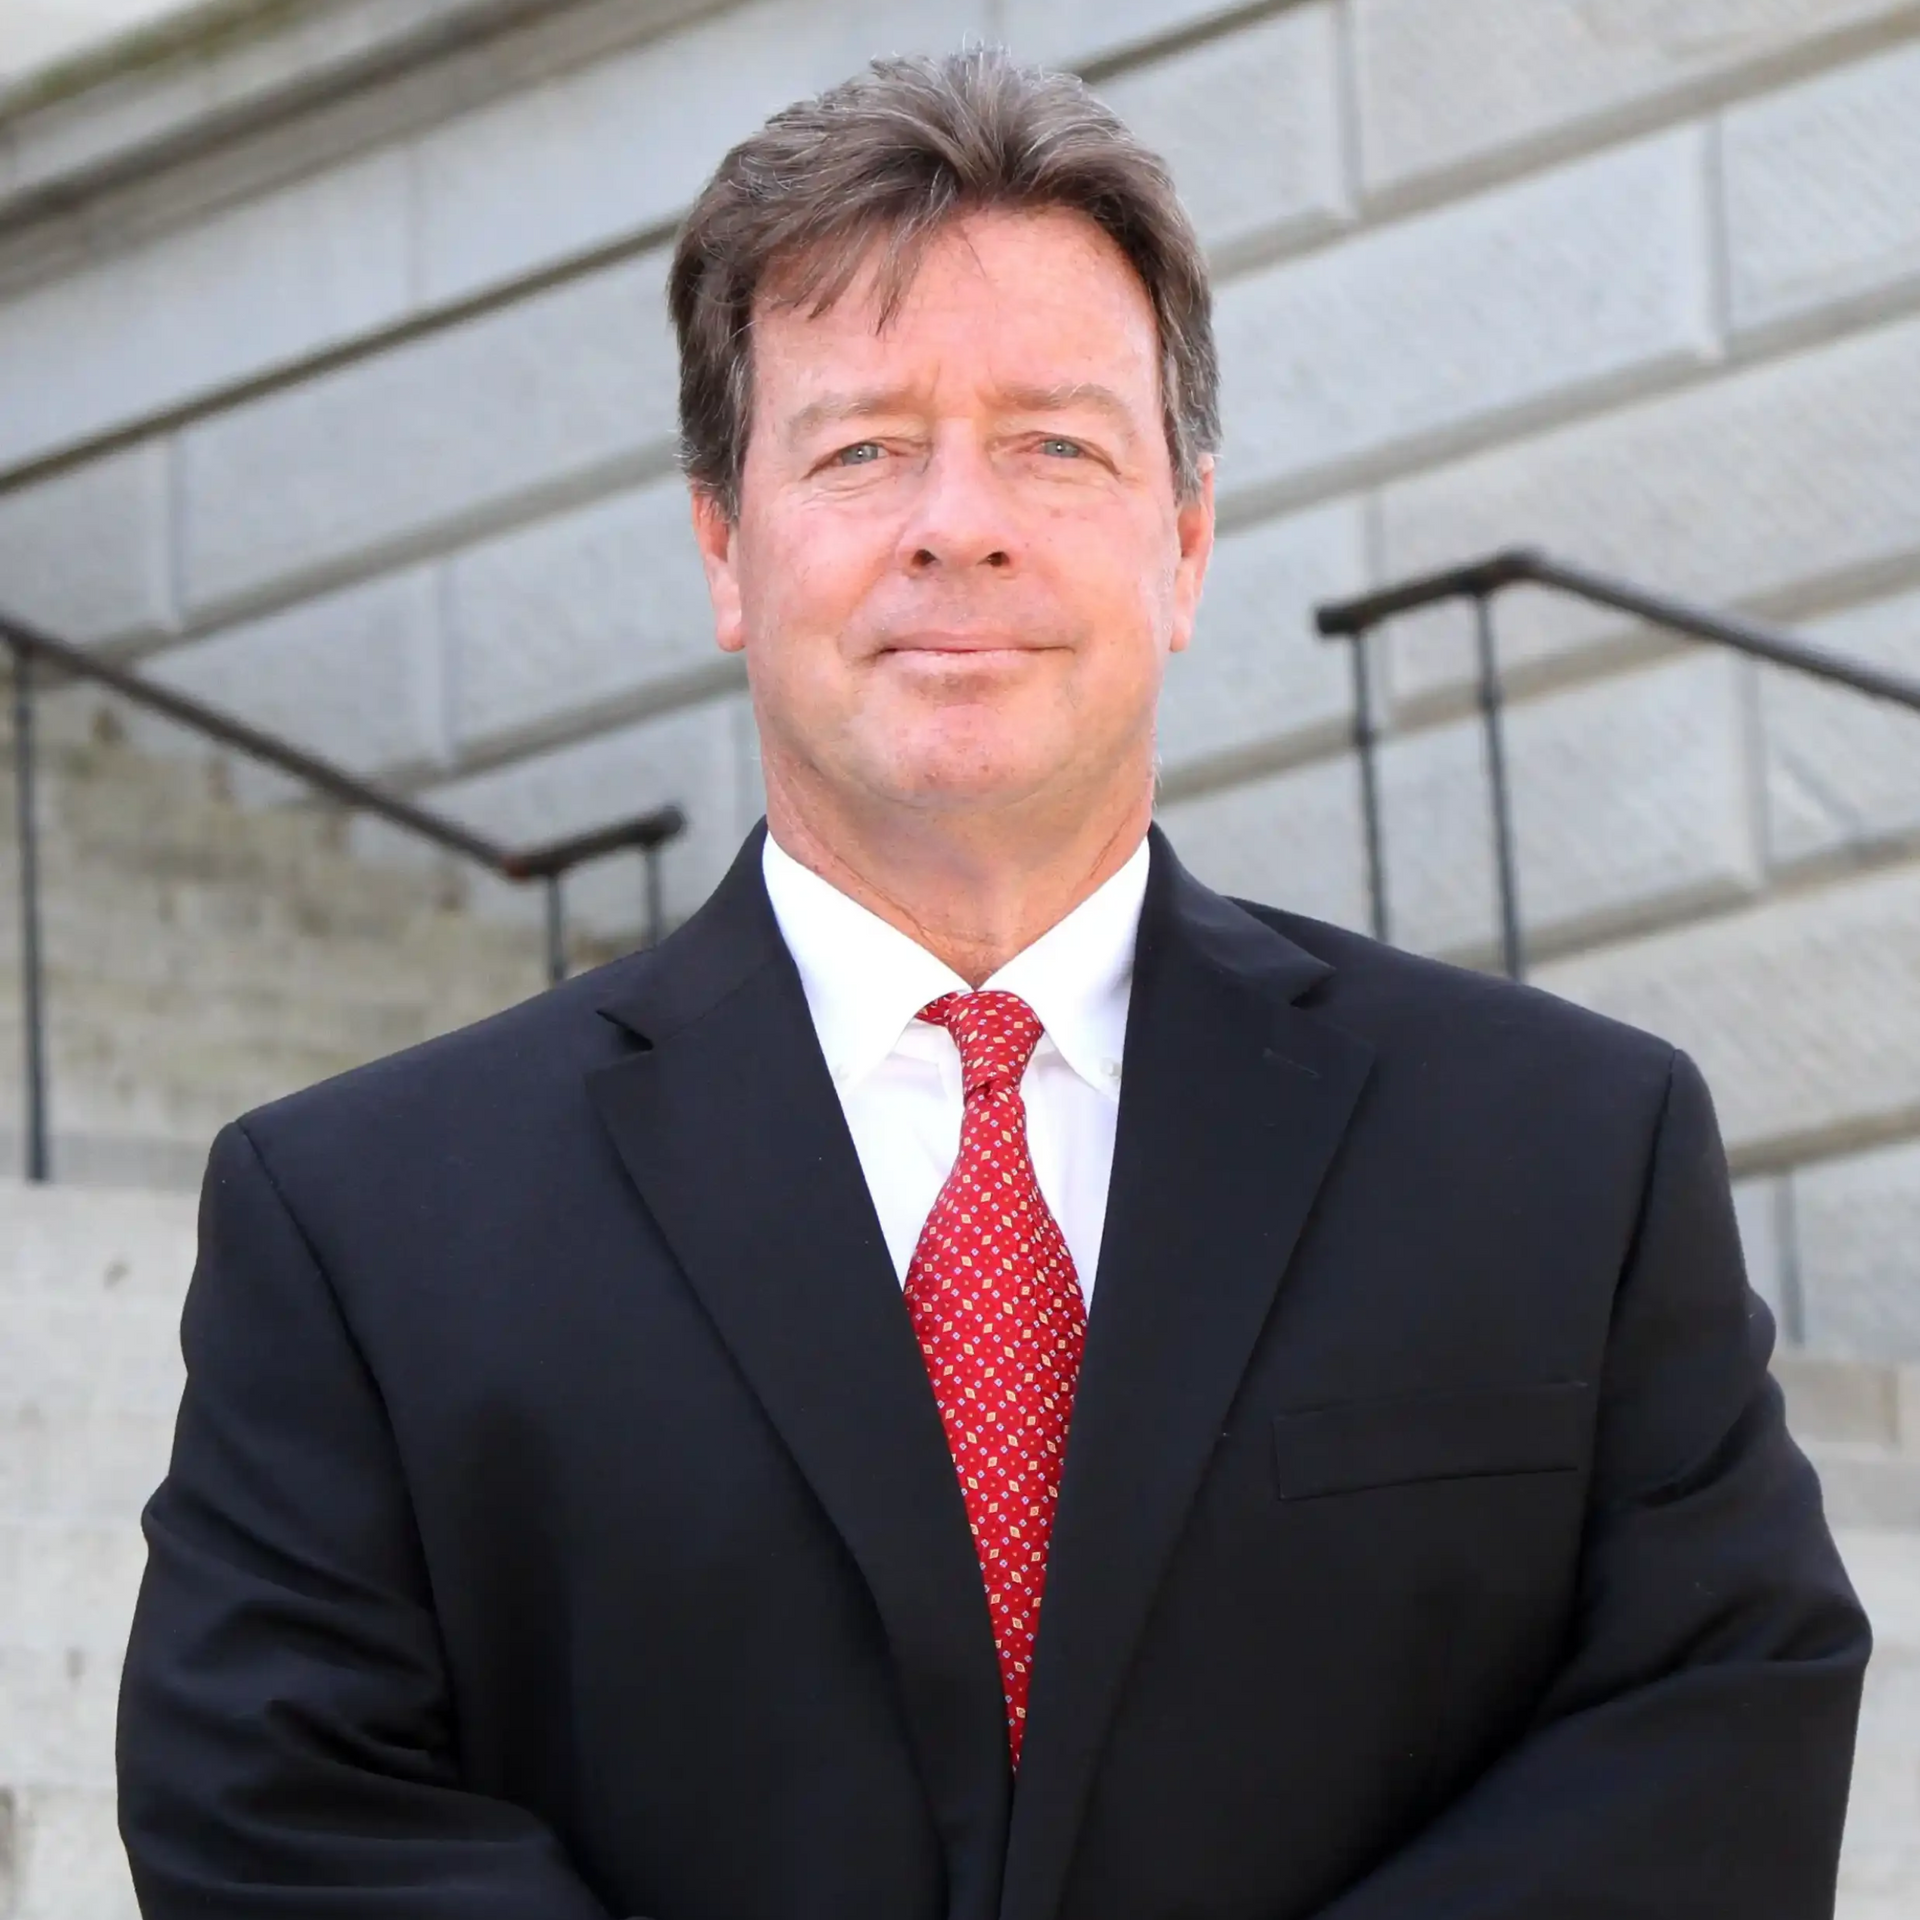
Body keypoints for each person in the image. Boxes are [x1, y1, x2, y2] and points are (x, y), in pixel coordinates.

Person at [117, 47, 1868, 1920]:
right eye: (863, 447)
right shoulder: (362, 1222)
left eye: (1056, 442)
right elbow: (280, 1812)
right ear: (726, 544)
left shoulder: (1570, 1154)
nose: (962, 522)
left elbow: (1714, 1729)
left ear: (1184, 542)